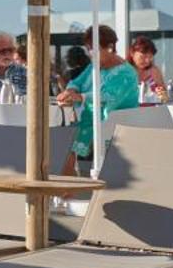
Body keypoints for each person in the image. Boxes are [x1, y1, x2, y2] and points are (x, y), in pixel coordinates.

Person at [55, 24, 138, 169]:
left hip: (113, 127)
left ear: (110, 47)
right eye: (89, 48)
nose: (91, 53)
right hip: (88, 120)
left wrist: (79, 97)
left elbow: (108, 96)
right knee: (57, 140)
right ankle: (67, 188)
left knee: (64, 146)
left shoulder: (126, 73)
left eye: (94, 48)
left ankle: (68, 188)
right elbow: (76, 82)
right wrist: (70, 91)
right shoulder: (94, 66)